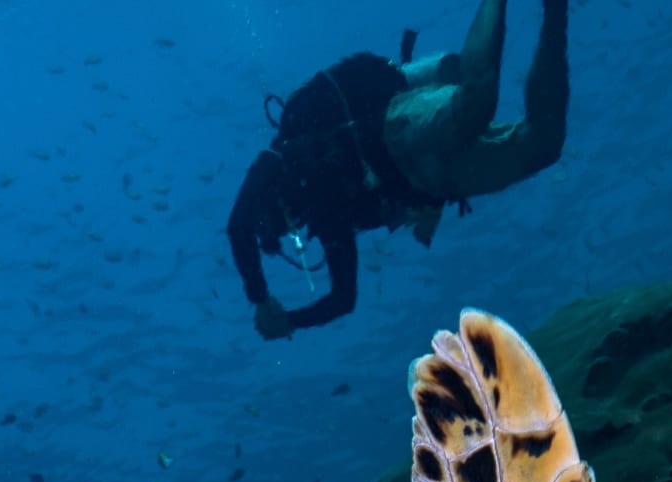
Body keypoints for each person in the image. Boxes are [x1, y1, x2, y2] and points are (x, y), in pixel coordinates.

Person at [227, 0, 568, 339]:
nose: (285, 225)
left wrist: (259, 298)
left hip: (395, 131)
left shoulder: (279, 155)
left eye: (271, 221)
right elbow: (344, 299)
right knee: (542, 144)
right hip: (433, 183)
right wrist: (290, 320)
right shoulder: (328, 220)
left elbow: (237, 225)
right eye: (280, 229)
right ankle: (556, 12)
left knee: (476, 104)